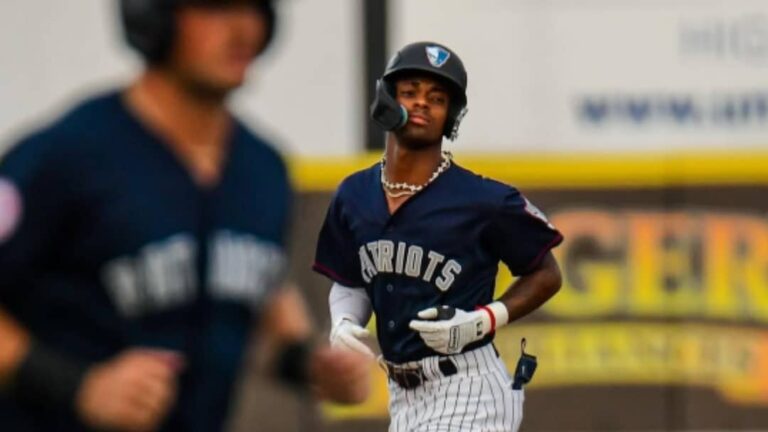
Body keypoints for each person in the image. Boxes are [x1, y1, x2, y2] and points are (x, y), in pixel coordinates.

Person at [0, 1, 370, 431]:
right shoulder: (66, 155)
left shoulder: (262, 170)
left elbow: (257, 298)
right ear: (152, 16)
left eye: (254, 10)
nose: (242, 29)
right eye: (215, 8)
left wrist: (311, 364)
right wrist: (78, 386)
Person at [313, 41, 563, 432]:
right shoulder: (354, 195)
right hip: (404, 396)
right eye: (409, 92)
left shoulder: (484, 200)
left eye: (437, 97)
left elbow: (547, 273)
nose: (422, 104)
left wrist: (483, 321)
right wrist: (343, 320)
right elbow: (349, 279)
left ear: (452, 116)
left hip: (469, 385)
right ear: (386, 100)